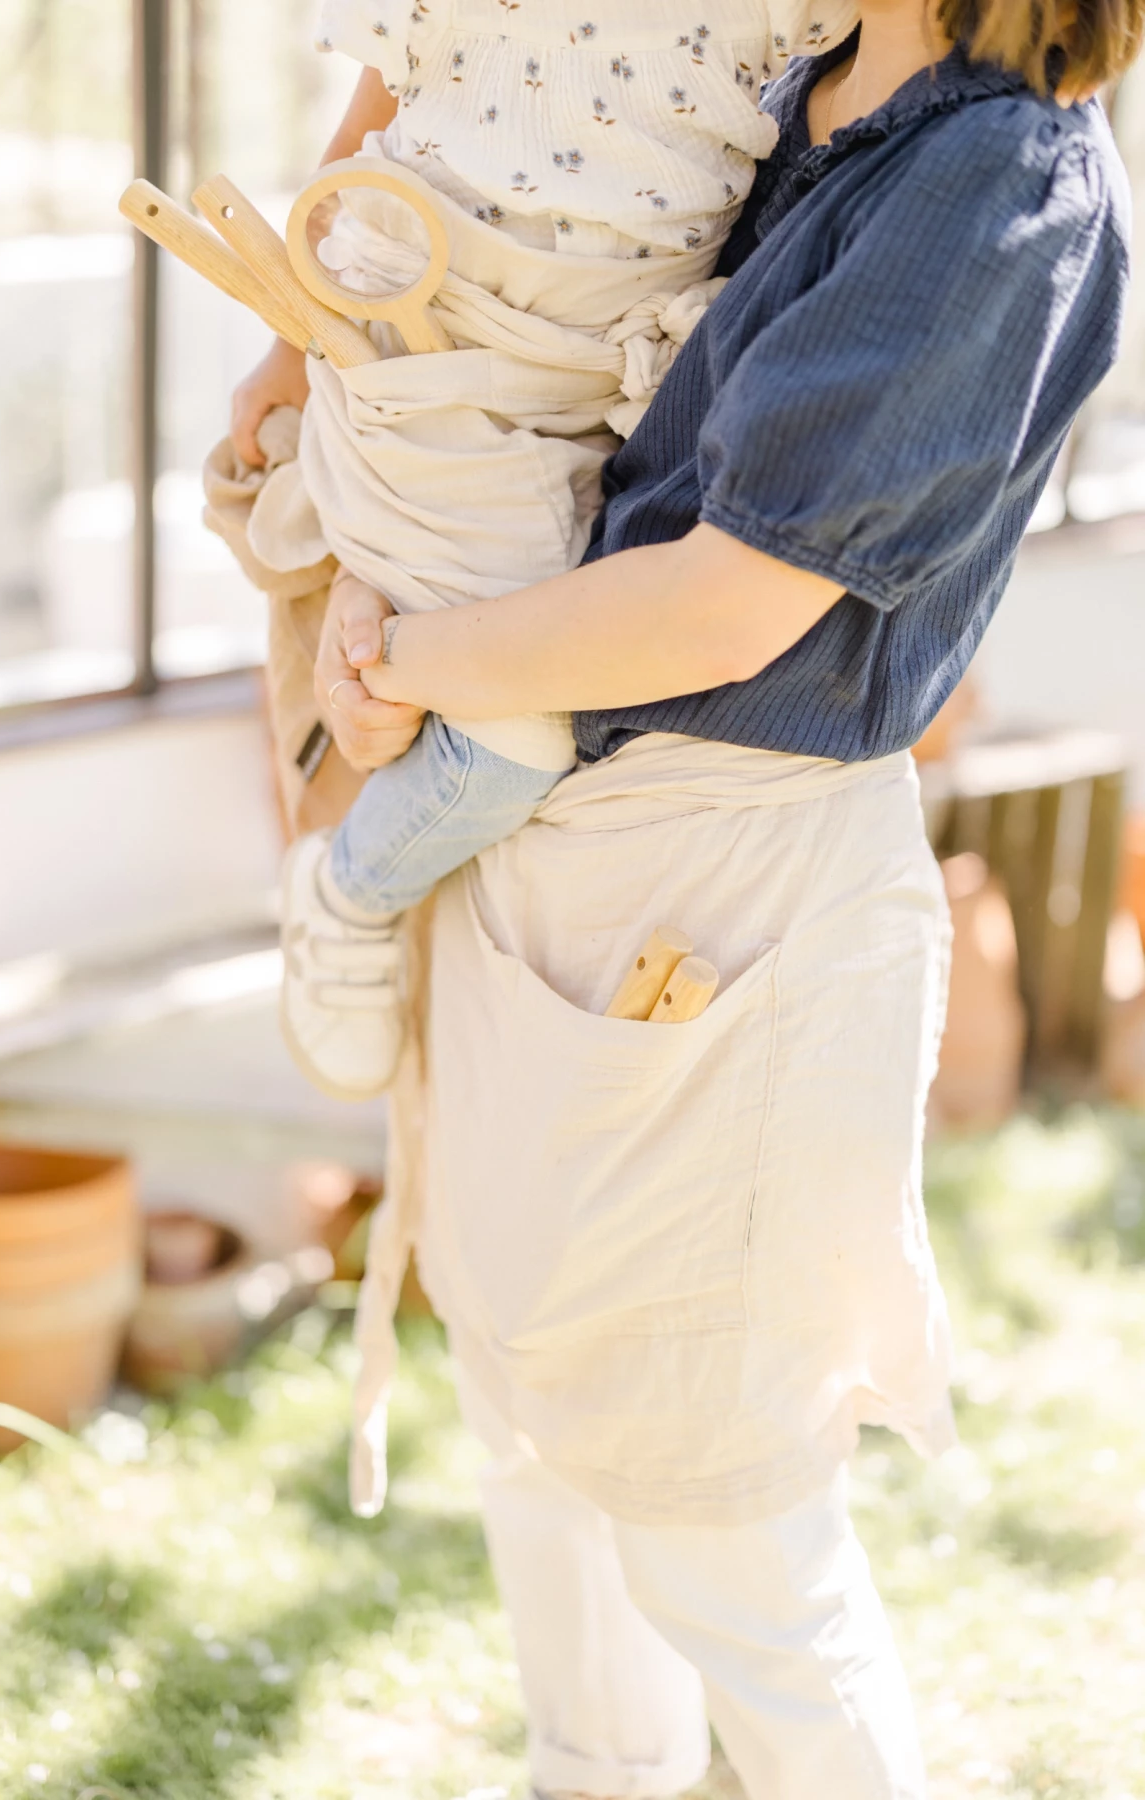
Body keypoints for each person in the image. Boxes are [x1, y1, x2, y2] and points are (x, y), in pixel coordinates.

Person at [235, 0, 1139, 1794]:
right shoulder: (788, 91)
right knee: (539, 1433)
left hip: (733, 882)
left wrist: (414, 655)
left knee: (730, 1535)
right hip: (557, 822)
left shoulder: (999, 184)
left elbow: (736, 603)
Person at [258, 1, 859, 1101]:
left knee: (491, 657)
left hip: (618, 380)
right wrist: (283, 359)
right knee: (519, 736)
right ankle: (347, 892)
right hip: (433, 334)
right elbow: (367, 127)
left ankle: (376, 615)